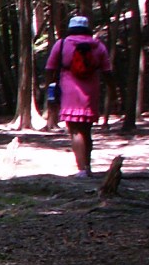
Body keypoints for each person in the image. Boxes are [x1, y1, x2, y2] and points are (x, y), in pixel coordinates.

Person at [43, 15, 112, 177]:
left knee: (75, 130)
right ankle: (87, 167)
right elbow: (107, 71)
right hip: (91, 90)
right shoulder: (98, 46)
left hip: (69, 90)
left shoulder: (61, 44)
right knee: (87, 130)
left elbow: (49, 68)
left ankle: (81, 170)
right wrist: (112, 90)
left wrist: (49, 87)